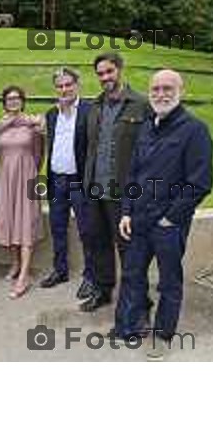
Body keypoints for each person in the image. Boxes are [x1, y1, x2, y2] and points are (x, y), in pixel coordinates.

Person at [114, 70, 213, 360]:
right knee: (132, 275)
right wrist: (126, 212)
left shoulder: (195, 130)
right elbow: (133, 174)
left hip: (168, 225)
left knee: (169, 281)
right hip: (138, 220)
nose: (161, 94)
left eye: (167, 88)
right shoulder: (147, 125)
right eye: (155, 89)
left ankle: (163, 335)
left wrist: (171, 218)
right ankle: (128, 327)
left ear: (181, 90)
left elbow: (200, 182)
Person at [79, 53, 149, 311]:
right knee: (98, 244)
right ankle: (103, 291)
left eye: (109, 72)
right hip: (95, 190)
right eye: (100, 74)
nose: (105, 78)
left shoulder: (141, 104)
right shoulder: (94, 106)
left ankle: (136, 302)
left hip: (124, 194)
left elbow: (149, 150)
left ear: (120, 70)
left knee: (129, 251)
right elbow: (90, 148)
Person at [39, 67, 95, 289]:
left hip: (79, 181)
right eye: (60, 86)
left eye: (68, 85)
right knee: (57, 228)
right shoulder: (51, 114)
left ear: (77, 85)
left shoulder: (89, 111)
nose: (64, 89)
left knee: (87, 230)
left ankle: (91, 275)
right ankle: (60, 270)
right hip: (56, 180)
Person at [0, 86, 44, 299]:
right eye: (9, 99)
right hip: (6, 179)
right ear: (4, 103)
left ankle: (24, 274)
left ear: (23, 101)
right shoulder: (0, 126)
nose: (13, 102)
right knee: (9, 220)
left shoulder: (33, 124)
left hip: (28, 178)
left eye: (17, 98)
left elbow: (40, 154)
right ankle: (15, 263)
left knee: (26, 222)